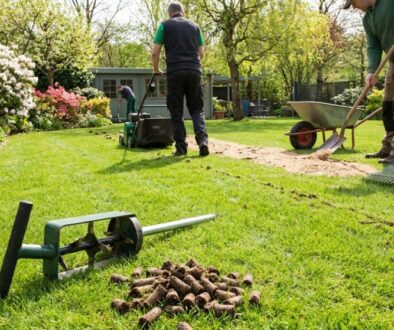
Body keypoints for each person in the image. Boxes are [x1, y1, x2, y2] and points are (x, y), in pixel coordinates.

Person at [151, 2, 209, 156]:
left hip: (175, 71)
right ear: (182, 12)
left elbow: (155, 52)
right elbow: (201, 53)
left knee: (176, 111)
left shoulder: (164, 26)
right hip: (194, 71)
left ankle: (181, 148)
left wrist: (156, 69)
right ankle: (203, 142)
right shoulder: (195, 27)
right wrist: (193, 65)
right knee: (197, 109)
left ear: (170, 13)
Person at [343, 0, 394, 164]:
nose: (354, 7)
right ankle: (388, 147)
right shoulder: (367, 19)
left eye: (354, 2)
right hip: (393, 61)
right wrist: (371, 71)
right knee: (388, 105)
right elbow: (373, 46)